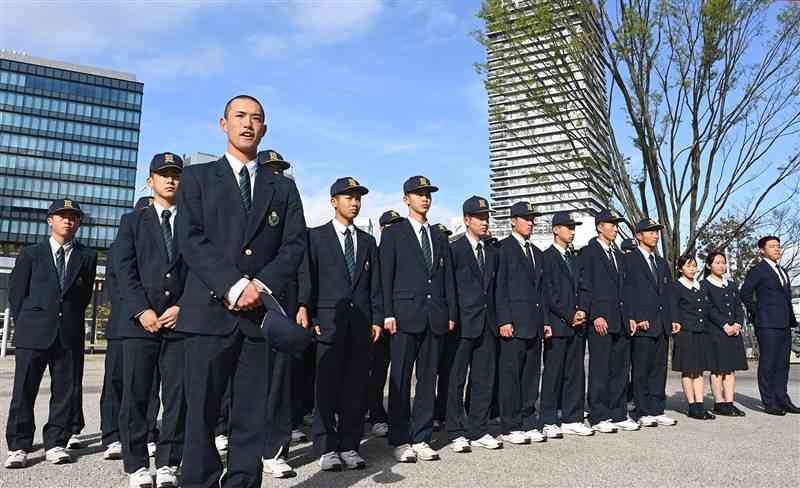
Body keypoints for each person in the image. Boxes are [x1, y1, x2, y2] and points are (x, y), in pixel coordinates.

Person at [175, 95, 307, 488]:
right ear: (223, 124)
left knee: (251, 415)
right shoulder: (197, 178)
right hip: (208, 315)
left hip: (256, 319)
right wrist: (233, 286)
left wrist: (260, 285)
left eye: (256, 118)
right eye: (239, 116)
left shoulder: (282, 188)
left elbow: (294, 244)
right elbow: (191, 238)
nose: (248, 124)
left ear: (264, 128)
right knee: (200, 412)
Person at [298, 177, 383, 471]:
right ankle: (326, 447)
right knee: (326, 388)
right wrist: (310, 313)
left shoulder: (368, 241)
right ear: (334, 201)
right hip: (328, 324)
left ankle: (350, 445)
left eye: (358, 198)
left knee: (355, 388)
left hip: (360, 327)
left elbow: (375, 286)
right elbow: (309, 278)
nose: (355, 203)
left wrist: (377, 319)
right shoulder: (316, 237)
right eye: (348, 197)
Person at [5, 199, 97, 468]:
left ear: (78, 222)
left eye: (73, 217)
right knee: (24, 389)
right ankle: (19, 444)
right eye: (62, 216)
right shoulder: (31, 253)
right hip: (33, 333)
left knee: (65, 391)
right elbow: (17, 293)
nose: (68, 221)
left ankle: (56, 442)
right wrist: (27, 325)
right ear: (50, 221)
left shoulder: (87, 256)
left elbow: (83, 296)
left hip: (68, 334)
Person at [116, 152, 188, 488]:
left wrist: (184, 306)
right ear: (150, 181)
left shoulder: (192, 222)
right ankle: (136, 465)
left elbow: (202, 270)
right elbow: (124, 269)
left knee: (177, 396)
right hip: (141, 324)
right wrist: (141, 310)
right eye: (163, 174)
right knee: (137, 394)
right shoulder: (133, 221)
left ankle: (169, 462)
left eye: (175, 174)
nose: (170, 179)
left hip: (179, 323)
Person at [380, 175, 456, 463]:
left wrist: (449, 313)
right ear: (406, 199)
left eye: (428, 194)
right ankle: (400, 438)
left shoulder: (438, 235)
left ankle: (422, 436)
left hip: (434, 316)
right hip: (403, 316)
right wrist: (387, 313)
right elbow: (385, 277)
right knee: (400, 378)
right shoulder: (394, 233)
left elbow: (445, 278)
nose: (425, 198)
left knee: (427, 380)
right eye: (418, 193)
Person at [445, 196, 503, 453]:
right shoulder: (454, 249)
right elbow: (449, 288)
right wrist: (452, 318)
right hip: (461, 324)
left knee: (483, 378)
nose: (484, 222)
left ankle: (478, 429)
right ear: (466, 220)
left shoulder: (491, 251)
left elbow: (497, 290)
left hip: (488, 324)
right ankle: (456, 431)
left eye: (486, 217)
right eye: (479, 217)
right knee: (455, 379)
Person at [578, 209, 637, 433]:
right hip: (601, 320)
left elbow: (628, 290)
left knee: (620, 369)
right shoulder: (588, 253)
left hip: (621, 320)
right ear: (599, 226)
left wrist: (630, 316)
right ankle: (599, 414)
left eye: (616, 224)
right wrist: (595, 315)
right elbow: (586, 287)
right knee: (600, 369)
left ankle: (618, 412)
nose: (614, 227)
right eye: (610, 224)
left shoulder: (620, 257)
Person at [495, 201, 549, 445]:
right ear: (513, 221)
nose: (531, 222)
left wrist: (545, 321)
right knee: (511, 376)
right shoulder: (502, 249)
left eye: (532, 218)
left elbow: (542, 292)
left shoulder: (537, 253)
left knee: (530, 374)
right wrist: (504, 319)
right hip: (513, 324)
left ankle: (528, 420)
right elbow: (499, 288)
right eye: (526, 218)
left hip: (534, 323)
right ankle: (511, 424)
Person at [540, 212, 594, 437]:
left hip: (577, 324)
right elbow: (548, 293)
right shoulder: (547, 257)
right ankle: (549, 418)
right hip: (558, 323)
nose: (572, 231)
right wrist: (568, 314)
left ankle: (572, 416)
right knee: (553, 372)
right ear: (555, 229)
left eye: (574, 227)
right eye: (568, 227)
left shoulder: (575, 258)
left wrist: (582, 309)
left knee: (575, 372)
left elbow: (584, 287)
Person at [624, 218, 679, 428]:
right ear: (638, 235)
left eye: (657, 232)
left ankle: (657, 409)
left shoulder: (661, 262)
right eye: (650, 232)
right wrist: (635, 318)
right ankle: (643, 410)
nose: (655, 235)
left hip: (661, 323)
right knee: (641, 370)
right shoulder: (629, 260)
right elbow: (627, 292)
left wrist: (673, 318)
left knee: (659, 369)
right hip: (642, 324)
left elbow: (669, 293)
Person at [740, 236, 799, 415]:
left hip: (784, 323)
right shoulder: (758, 270)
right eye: (772, 246)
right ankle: (769, 402)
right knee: (768, 363)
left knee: (783, 364)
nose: (777, 249)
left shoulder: (782, 271)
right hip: (766, 324)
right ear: (762, 251)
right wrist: (758, 312)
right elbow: (745, 293)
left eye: (778, 246)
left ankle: (782, 398)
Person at [365, 210, 404, 438]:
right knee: (375, 372)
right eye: (389, 226)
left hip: (398, 321)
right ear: (381, 229)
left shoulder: (401, 252)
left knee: (397, 372)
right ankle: (375, 414)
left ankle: (392, 413)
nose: (393, 230)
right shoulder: (375, 251)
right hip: (377, 323)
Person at [702, 250, 749, 417]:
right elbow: (708, 309)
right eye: (717, 262)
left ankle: (729, 402)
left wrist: (737, 324)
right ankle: (719, 402)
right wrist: (724, 325)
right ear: (708, 265)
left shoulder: (731, 284)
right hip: (716, 332)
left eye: (723, 262)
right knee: (718, 369)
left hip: (733, 332)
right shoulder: (704, 285)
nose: (721, 266)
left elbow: (738, 306)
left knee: (730, 369)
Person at [671, 254, 714, 420]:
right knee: (688, 371)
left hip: (701, 332)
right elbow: (673, 307)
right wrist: (675, 324)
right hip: (685, 332)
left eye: (694, 265)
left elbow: (707, 308)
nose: (692, 269)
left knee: (699, 371)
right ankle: (692, 406)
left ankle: (700, 404)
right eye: (688, 266)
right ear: (680, 269)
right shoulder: (677, 286)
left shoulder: (700, 286)